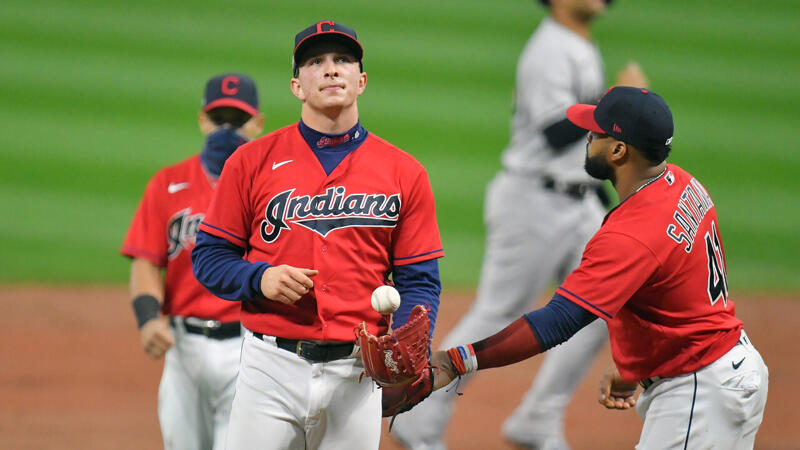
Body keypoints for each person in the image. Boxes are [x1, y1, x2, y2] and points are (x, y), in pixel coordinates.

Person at [431, 86, 769, 450]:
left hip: (700, 393)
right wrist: (637, 366)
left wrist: (456, 361)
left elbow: (557, 321)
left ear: (618, 150)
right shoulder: (683, 183)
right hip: (725, 366)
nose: (587, 137)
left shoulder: (632, 235)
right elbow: (679, 295)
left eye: (596, 132)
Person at [392, 0, 648, 448]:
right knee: (498, 313)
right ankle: (419, 420)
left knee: (603, 310)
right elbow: (554, 131)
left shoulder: (579, 44)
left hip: (579, 202)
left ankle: (538, 418)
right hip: (534, 200)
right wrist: (614, 99)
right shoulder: (549, 48)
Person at [190, 21, 445, 450]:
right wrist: (259, 278)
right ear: (297, 85)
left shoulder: (404, 172)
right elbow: (209, 257)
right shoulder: (249, 162)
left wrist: (404, 344)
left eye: (343, 60)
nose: (331, 70)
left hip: (357, 374)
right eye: (316, 62)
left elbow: (420, 280)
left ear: (360, 81)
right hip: (270, 367)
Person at [120, 73, 264, 449]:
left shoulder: (272, 189)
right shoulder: (168, 183)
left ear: (259, 123)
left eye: (239, 119)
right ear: (202, 119)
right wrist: (148, 318)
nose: (227, 129)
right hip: (183, 351)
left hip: (249, 347)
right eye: (219, 119)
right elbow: (146, 261)